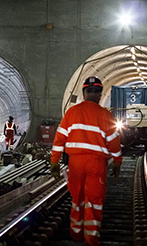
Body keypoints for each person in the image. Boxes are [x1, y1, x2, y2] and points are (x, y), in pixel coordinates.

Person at [50, 76, 122, 246]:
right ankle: (91, 240)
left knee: (77, 199)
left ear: (84, 93)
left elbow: (59, 140)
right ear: (99, 95)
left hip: (75, 164)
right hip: (96, 165)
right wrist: (117, 161)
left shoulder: (71, 112)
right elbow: (114, 142)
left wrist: (54, 162)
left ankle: (76, 235)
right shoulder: (105, 115)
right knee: (94, 202)